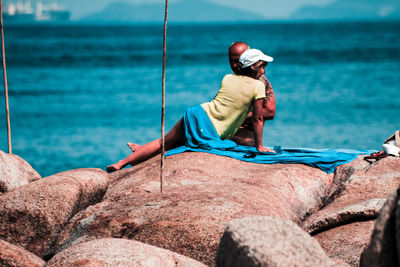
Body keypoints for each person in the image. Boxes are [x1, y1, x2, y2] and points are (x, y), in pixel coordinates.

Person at [107, 48, 275, 173]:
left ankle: (120, 163)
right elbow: (258, 119)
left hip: (197, 112)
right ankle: (135, 157)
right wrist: (259, 146)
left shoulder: (228, 78)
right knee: (178, 143)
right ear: (254, 67)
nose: (264, 71)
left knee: (163, 142)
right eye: (262, 67)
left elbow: (225, 104)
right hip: (209, 127)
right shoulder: (258, 86)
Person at [228, 41, 276, 147]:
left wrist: (233, 114)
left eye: (237, 60)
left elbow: (270, 112)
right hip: (229, 136)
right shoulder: (232, 79)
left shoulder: (260, 81)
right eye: (231, 61)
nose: (235, 65)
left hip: (247, 139)